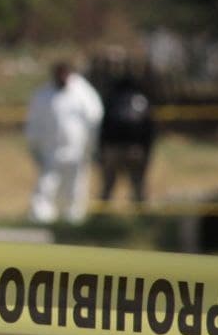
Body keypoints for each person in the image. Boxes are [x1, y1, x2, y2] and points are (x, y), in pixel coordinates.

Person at [25, 61, 104, 224]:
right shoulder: (43, 94)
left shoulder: (82, 92)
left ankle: (73, 219)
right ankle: (42, 217)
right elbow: (34, 122)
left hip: (77, 150)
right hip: (51, 150)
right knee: (46, 185)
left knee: (75, 186)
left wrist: (91, 146)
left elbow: (95, 118)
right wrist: (35, 147)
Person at [97, 75, 156, 205]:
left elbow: (103, 127)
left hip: (112, 149)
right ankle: (142, 213)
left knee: (108, 184)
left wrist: (101, 150)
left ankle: (101, 214)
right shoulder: (141, 100)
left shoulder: (111, 99)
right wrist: (146, 151)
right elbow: (149, 129)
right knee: (138, 184)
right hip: (135, 149)